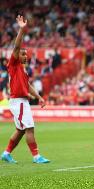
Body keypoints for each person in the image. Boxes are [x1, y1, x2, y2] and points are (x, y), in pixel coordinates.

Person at [1, 15, 50, 164]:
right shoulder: (14, 64)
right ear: (16, 55)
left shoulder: (23, 70)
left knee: (21, 130)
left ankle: (6, 153)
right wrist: (22, 30)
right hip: (19, 101)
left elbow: (28, 86)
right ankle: (36, 157)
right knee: (29, 128)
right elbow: (16, 46)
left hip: (21, 101)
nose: (25, 56)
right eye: (23, 54)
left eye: (26, 54)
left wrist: (39, 97)